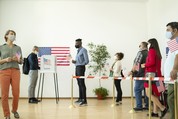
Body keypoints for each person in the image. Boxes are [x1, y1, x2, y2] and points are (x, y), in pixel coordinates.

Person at [142, 38, 167, 118]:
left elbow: (151, 62)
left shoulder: (151, 50)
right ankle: (155, 112)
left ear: (151, 44)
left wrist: (144, 65)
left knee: (148, 93)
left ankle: (162, 108)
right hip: (158, 74)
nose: (147, 45)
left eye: (148, 43)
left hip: (151, 74)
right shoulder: (158, 52)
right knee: (155, 94)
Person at [0, 30, 23, 119]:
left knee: (16, 93)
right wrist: (5, 60)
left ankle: (14, 110)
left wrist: (17, 59)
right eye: (11, 34)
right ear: (6, 36)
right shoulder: (1, 47)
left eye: (14, 34)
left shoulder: (17, 48)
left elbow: (21, 61)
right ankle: (7, 114)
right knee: (4, 94)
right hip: (4, 72)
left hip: (15, 71)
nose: (13, 36)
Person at [129, 42, 149, 111]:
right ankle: (147, 105)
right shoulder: (149, 53)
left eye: (140, 45)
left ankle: (139, 106)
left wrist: (132, 71)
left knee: (137, 90)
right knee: (146, 90)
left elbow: (136, 64)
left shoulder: (140, 53)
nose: (139, 46)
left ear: (142, 46)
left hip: (140, 74)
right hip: (147, 74)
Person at [164, 22, 178, 119]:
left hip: (174, 77)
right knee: (171, 99)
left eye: (168, 30)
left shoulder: (176, 41)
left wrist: (175, 68)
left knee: (172, 99)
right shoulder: (172, 42)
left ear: (175, 30)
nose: (166, 32)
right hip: (170, 78)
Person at [72, 38, 89, 106]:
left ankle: (84, 101)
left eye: (76, 43)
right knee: (79, 83)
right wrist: (75, 62)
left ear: (80, 43)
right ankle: (80, 98)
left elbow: (87, 61)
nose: (75, 44)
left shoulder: (83, 50)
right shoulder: (78, 51)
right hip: (77, 67)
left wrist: (81, 64)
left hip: (81, 68)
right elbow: (79, 60)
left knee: (82, 83)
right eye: (75, 43)